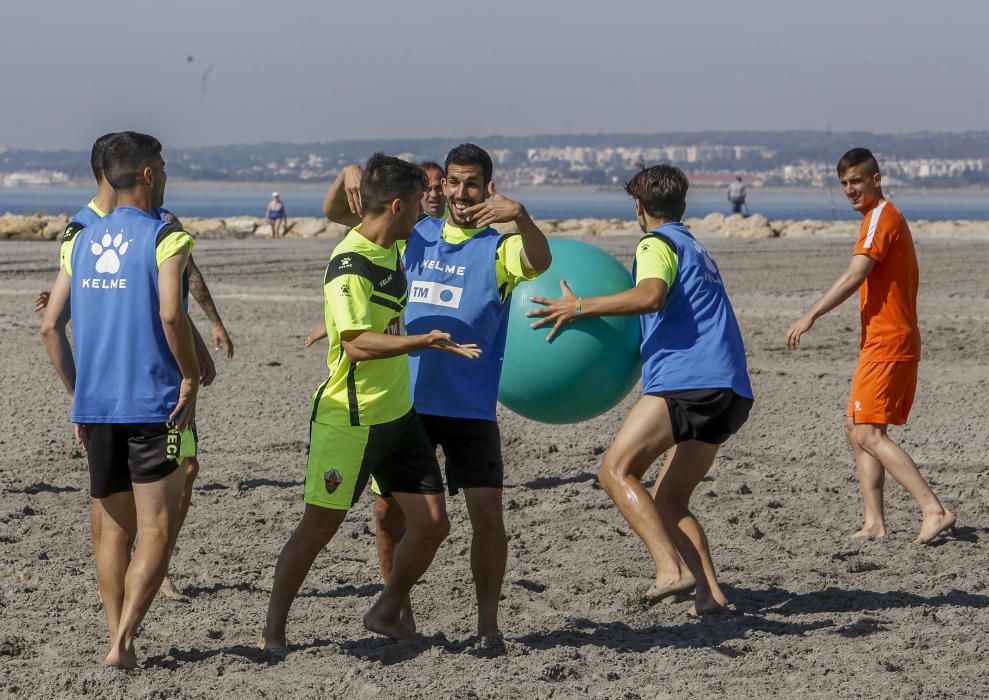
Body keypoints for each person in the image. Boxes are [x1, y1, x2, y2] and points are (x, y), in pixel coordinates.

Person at [321, 144, 551, 646]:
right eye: (452, 182)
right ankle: (398, 613)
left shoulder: (498, 248)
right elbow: (341, 213)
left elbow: (539, 258)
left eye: (472, 184)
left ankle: (488, 625)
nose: (461, 193)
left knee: (488, 516)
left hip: (470, 408)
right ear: (440, 185)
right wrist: (348, 172)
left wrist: (523, 218)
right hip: (407, 405)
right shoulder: (414, 235)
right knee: (387, 514)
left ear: (488, 188)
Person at [260, 154, 481, 653]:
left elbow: (341, 205)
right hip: (350, 421)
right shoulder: (350, 262)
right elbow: (358, 343)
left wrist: (348, 174)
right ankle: (273, 630)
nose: (428, 208)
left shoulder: (394, 242)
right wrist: (422, 341)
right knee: (318, 528)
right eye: (419, 201)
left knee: (432, 524)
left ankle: (386, 607)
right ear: (398, 206)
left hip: (399, 417)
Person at [529, 165, 753, 616]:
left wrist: (580, 306)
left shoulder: (656, 244)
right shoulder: (695, 245)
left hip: (688, 382)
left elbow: (650, 295)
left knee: (615, 471)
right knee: (670, 498)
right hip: (731, 390)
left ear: (638, 207)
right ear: (681, 205)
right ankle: (710, 594)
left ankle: (671, 569)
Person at [34, 133, 233, 600]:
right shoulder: (81, 228)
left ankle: (153, 563)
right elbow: (62, 317)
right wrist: (76, 397)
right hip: (137, 388)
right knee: (113, 508)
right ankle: (142, 567)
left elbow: (173, 296)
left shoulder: (160, 222)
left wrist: (202, 337)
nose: (163, 173)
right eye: (157, 166)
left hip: (155, 375)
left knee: (184, 470)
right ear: (124, 171)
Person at [786, 148, 955, 544]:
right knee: (855, 429)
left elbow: (855, 274)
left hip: (889, 341)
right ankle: (875, 522)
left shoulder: (881, 217)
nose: (850, 189)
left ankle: (934, 509)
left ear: (876, 179)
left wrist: (810, 315)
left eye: (857, 181)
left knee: (869, 435)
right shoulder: (875, 218)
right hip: (880, 341)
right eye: (844, 183)